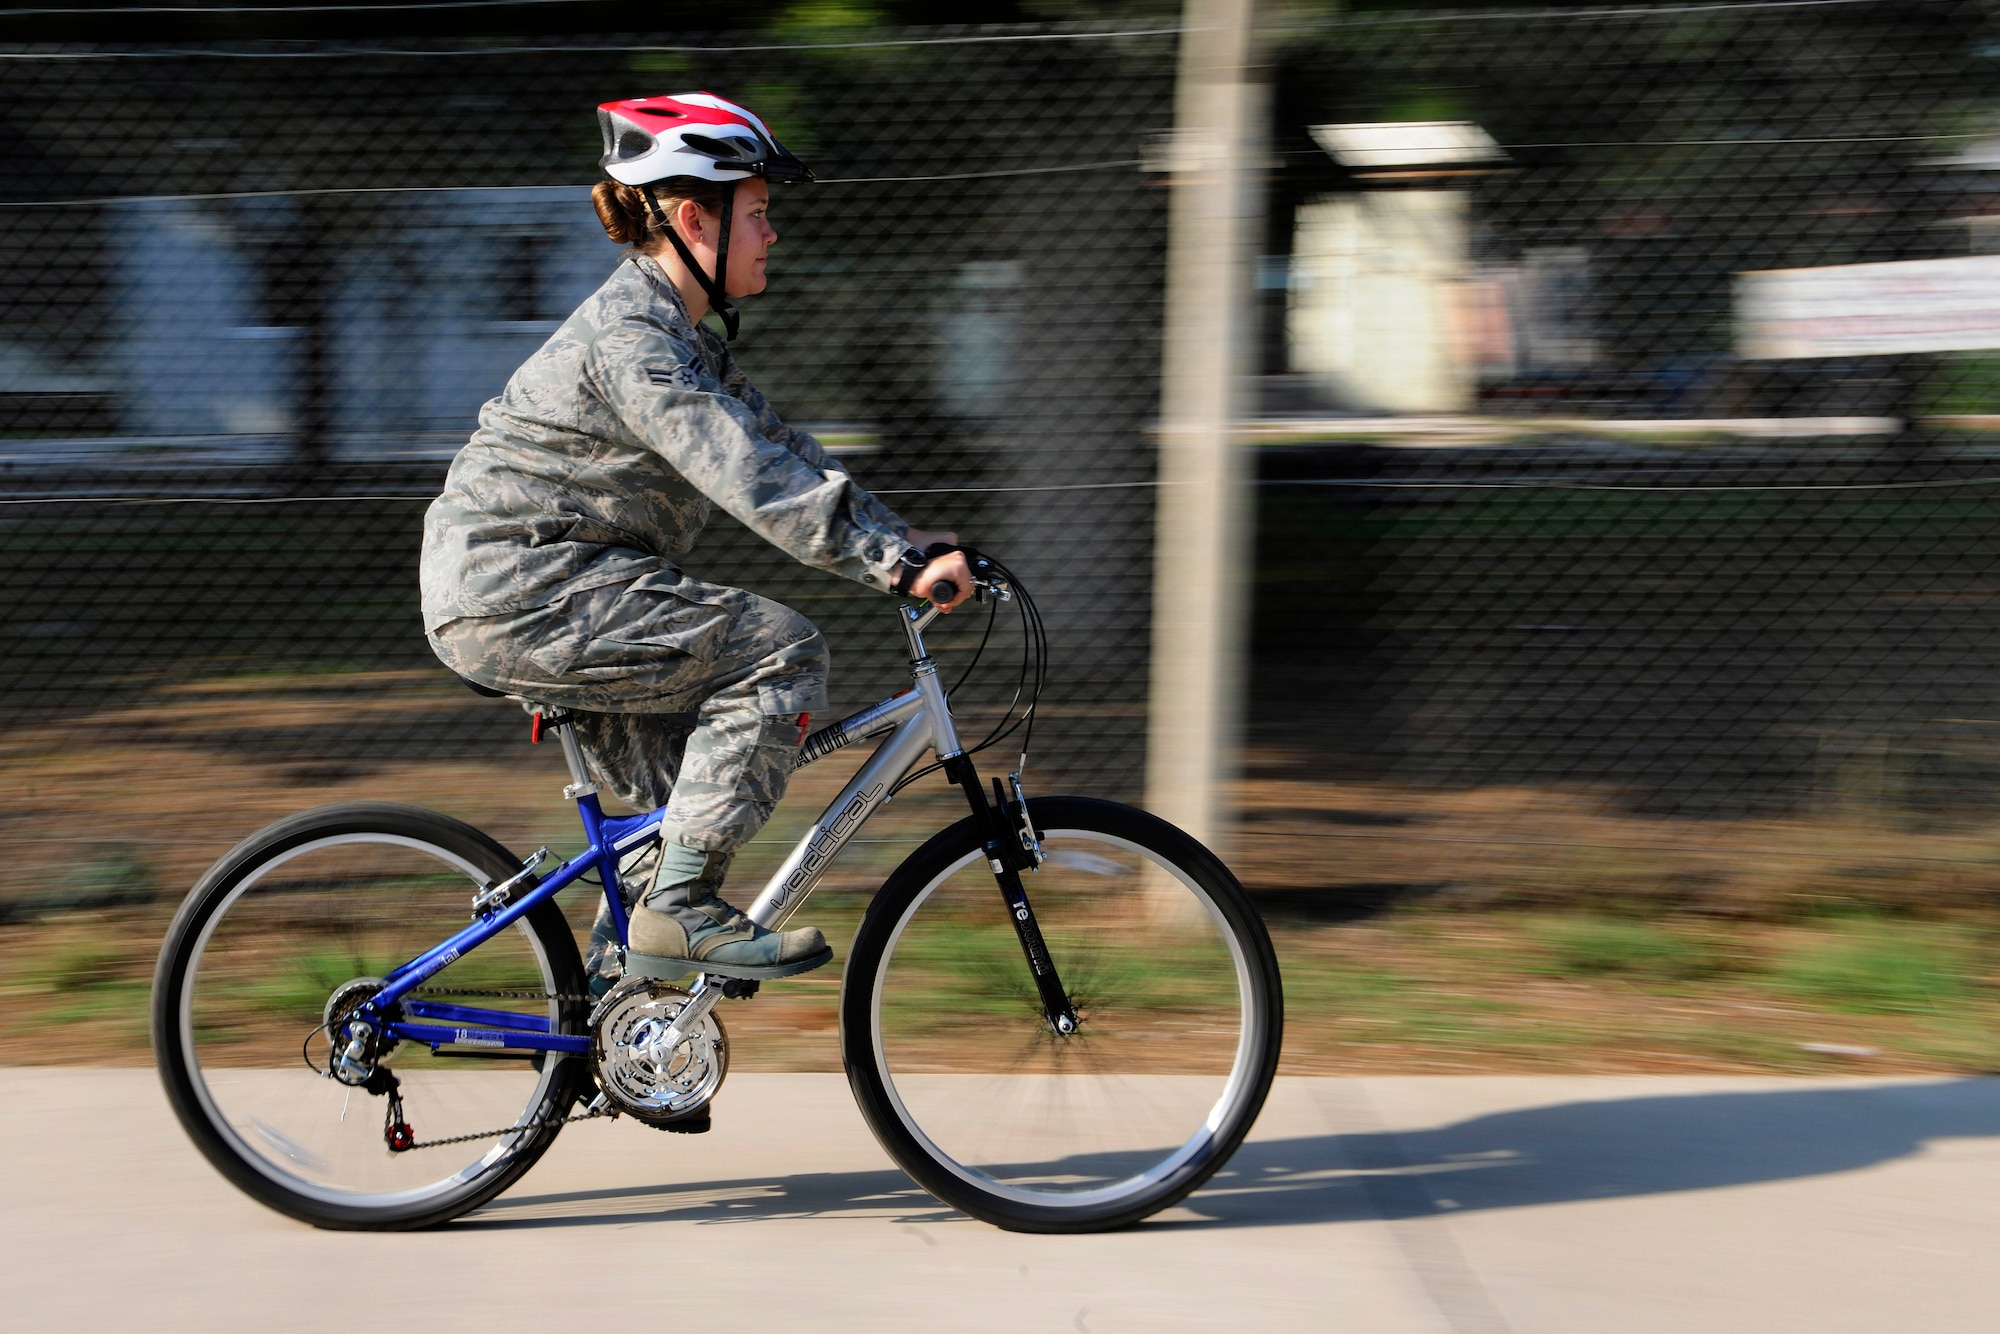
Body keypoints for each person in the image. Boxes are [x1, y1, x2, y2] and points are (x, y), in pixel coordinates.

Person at [420, 92, 971, 985]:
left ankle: (620, 1020)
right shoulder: (635, 343)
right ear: (691, 221)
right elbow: (744, 474)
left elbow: (779, 448)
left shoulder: (683, 342)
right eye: (758, 214)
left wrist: (899, 537)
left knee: (690, 806)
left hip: (550, 586)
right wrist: (894, 566)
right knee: (778, 655)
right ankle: (675, 916)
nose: (772, 235)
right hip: (523, 588)